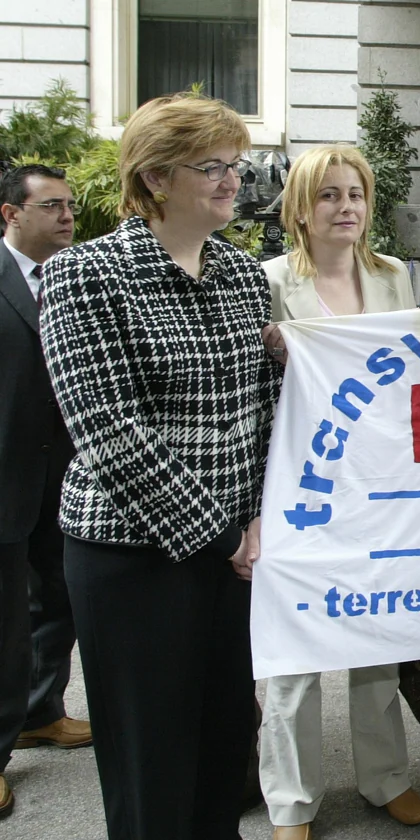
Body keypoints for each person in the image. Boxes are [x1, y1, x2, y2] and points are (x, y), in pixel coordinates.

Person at [38, 92, 282, 840]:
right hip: (131, 556)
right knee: (153, 767)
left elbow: (268, 411)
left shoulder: (244, 276)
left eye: (235, 164)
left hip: (237, 555)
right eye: (210, 165)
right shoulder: (86, 275)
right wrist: (221, 532)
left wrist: (262, 516)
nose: (231, 179)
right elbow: (108, 431)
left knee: (223, 753)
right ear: (153, 178)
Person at [256, 146, 420, 839]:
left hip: (378, 485)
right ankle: (292, 802)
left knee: (374, 634)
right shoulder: (265, 282)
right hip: (298, 488)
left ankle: (386, 778)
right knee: (295, 654)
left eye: (355, 194)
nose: (345, 208)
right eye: (328, 196)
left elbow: (416, 377)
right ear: (301, 207)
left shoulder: (393, 277)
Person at [0, 165, 88, 819]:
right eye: (52, 206)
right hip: (4, 478)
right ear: (12, 215)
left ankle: (41, 712)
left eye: (70, 205)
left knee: (60, 601)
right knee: (4, 624)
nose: (66, 216)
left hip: (63, 478)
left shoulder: (75, 277)